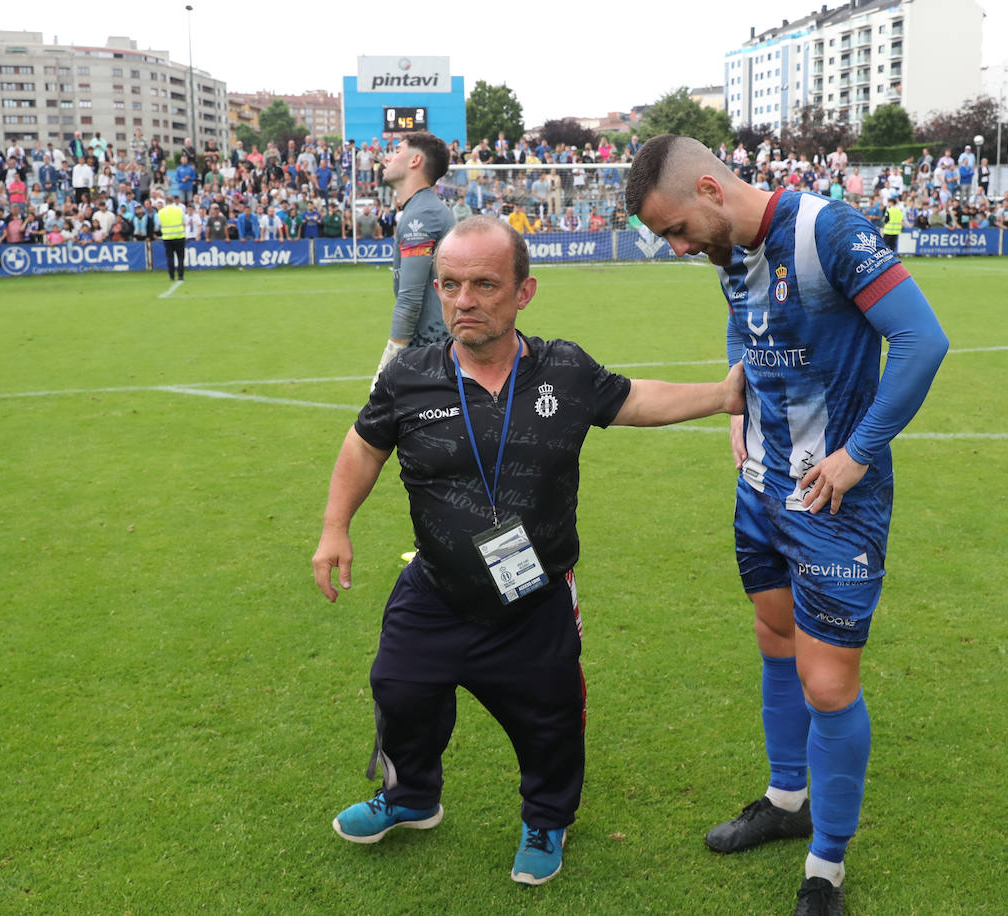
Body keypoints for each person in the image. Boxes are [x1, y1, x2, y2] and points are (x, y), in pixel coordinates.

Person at [311, 215, 747, 887]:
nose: (464, 301)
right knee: (399, 690)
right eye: (450, 285)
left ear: (524, 292)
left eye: (484, 284)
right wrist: (335, 526)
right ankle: (410, 798)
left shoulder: (563, 369)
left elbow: (634, 400)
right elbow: (363, 446)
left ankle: (545, 819)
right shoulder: (409, 378)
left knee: (549, 721)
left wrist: (721, 396)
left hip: (535, 596)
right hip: (435, 591)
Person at [625, 136, 948, 916]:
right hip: (761, 489)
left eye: (675, 229)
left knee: (828, 683)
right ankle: (785, 797)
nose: (674, 247)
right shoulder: (729, 253)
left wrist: (859, 453)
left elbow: (921, 340)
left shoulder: (828, 231)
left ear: (709, 186)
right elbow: (744, 324)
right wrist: (737, 392)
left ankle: (825, 870)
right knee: (774, 641)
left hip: (834, 502)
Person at [371, 131, 456, 389]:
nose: (388, 158)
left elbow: (409, 299)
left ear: (415, 161)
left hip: (431, 356)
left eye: (397, 150)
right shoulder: (423, 209)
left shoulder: (423, 214)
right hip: (435, 353)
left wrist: (388, 361)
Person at [155, 197, 187, 281]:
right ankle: (180, 276)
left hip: (167, 238)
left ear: (166, 202)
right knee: (180, 257)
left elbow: (158, 224)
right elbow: (184, 222)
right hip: (179, 236)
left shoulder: (161, 212)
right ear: (173, 201)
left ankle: (171, 276)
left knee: (170, 258)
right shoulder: (179, 210)